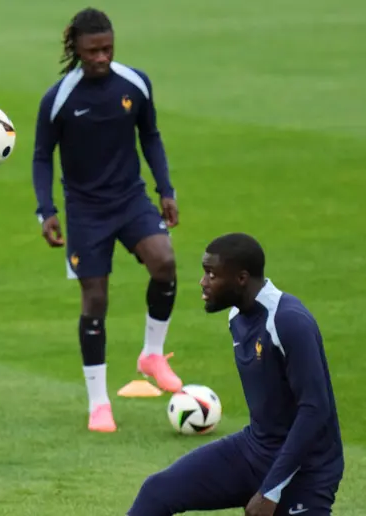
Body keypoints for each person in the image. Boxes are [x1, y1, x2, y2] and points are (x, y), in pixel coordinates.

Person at [31, 7, 182, 432]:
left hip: (130, 199)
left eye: (108, 49)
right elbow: (42, 156)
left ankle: (152, 354)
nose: (102, 57)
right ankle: (99, 403)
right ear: (76, 49)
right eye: (93, 50)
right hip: (85, 210)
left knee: (165, 262)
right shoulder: (59, 98)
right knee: (95, 300)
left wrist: (165, 189)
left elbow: (150, 136)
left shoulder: (134, 83)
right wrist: (47, 210)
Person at [128, 233, 344, 516]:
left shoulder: (288, 321)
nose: (202, 283)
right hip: (254, 451)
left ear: (241, 278)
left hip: (306, 470)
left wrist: (271, 489)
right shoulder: (237, 318)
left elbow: (315, 409)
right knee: (156, 492)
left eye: (211, 274)